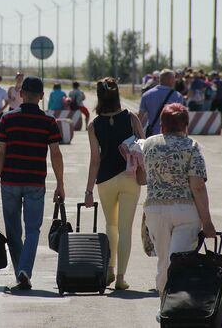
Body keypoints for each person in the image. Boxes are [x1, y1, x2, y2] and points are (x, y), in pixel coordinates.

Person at [0, 76, 65, 291]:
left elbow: (0, 153)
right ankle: (24, 271)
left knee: (13, 232)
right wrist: (60, 184)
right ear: (41, 96)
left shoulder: (8, 119)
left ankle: (21, 271)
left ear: (21, 94)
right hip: (35, 183)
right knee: (32, 231)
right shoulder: (48, 122)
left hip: (9, 182)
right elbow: (55, 154)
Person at [140, 103, 216, 320]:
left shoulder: (149, 144)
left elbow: (139, 177)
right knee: (180, 262)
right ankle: (180, 308)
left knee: (164, 260)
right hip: (186, 212)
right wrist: (207, 221)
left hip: (156, 211)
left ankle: (166, 307)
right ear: (185, 125)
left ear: (162, 124)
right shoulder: (191, 146)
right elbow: (198, 186)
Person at [84, 77, 144, 290]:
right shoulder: (130, 118)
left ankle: (108, 269)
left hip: (105, 180)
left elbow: (95, 160)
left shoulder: (94, 125)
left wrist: (88, 191)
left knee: (111, 226)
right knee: (126, 229)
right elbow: (142, 146)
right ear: (117, 94)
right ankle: (120, 278)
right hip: (129, 179)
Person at [138, 69, 184, 137]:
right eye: (174, 79)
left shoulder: (146, 95)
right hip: (170, 136)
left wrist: (139, 135)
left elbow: (140, 117)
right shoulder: (177, 96)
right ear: (169, 80)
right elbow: (180, 119)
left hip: (152, 135)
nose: (175, 81)